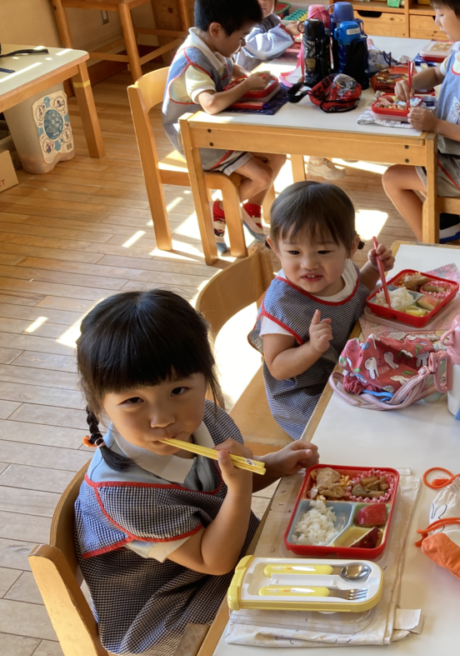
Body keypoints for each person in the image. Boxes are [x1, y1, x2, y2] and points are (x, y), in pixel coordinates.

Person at [72, 289, 358, 656]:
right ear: (100, 404)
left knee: (331, 586)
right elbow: (215, 558)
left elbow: (222, 486)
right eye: (133, 402)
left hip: (217, 563)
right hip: (165, 611)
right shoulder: (125, 495)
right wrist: (243, 485)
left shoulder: (203, 420)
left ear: (205, 379)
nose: (163, 417)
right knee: (307, 641)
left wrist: (272, 464)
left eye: (179, 390)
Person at [249, 181, 393, 439]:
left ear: (350, 247)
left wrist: (373, 268)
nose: (309, 263)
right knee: (367, 434)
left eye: (323, 251)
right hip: (306, 396)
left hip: (345, 370)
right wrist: (311, 348)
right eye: (293, 251)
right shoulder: (282, 304)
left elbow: (356, 292)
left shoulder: (342, 269)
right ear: (275, 247)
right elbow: (278, 368)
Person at [382, 0, 460, 243]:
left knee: (392, 178)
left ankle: (429, 244)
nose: (436, 21)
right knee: (411, 158)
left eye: (440, 14)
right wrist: (410, 83)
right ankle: (447, 229)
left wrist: (436, 125)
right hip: (457, 159)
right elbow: (435, 74)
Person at [162, 0, 287, 252]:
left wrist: (245, 76)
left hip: (216, 132)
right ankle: (219, 210)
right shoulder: (193, 59)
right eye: (241, 38)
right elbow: (209, 103)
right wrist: (246, 85)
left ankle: (250, 208)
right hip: (198, 142)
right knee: (262, 176)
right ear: (217, 29)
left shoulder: (212, 45)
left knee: (278, 156)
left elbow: (230, 68)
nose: (242, 44)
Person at [233, 0, 293, 71]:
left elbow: (276, 49)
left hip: (264, 71)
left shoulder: (273, 19)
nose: (262, 2)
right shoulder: (244, 23)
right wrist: (287, 32)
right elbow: (260, 48)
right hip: (245, 76)